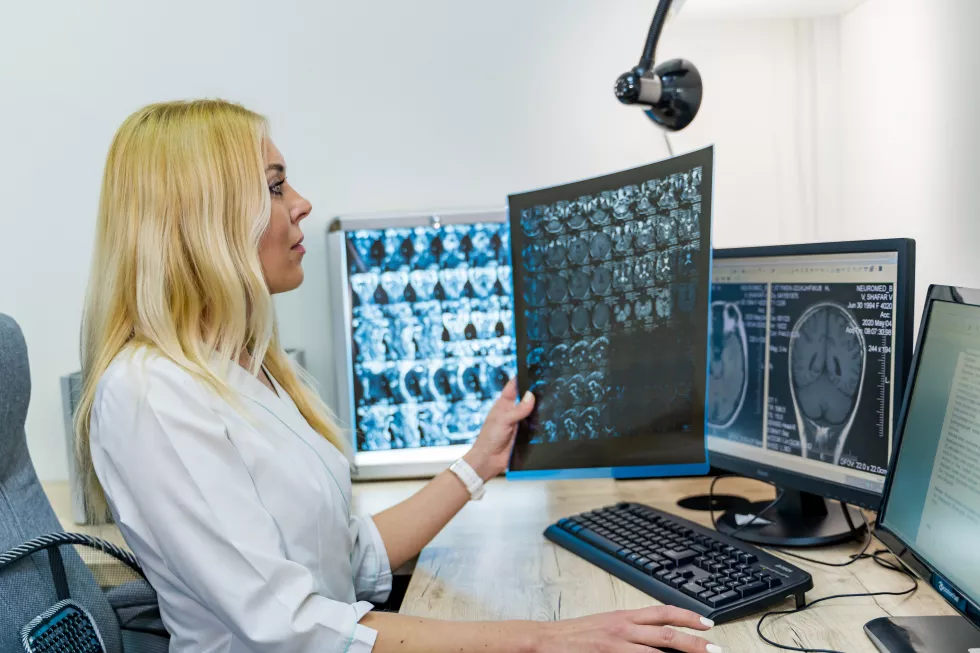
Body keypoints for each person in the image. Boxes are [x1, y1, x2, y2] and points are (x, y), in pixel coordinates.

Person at [75, 99, 722, 653]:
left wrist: (478, 462)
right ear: (203, 218)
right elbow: (291, 626)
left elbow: (348, 560)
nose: (301, 203)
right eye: (274, 186)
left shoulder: (253, 371)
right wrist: (543, 637)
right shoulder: (151, 394)